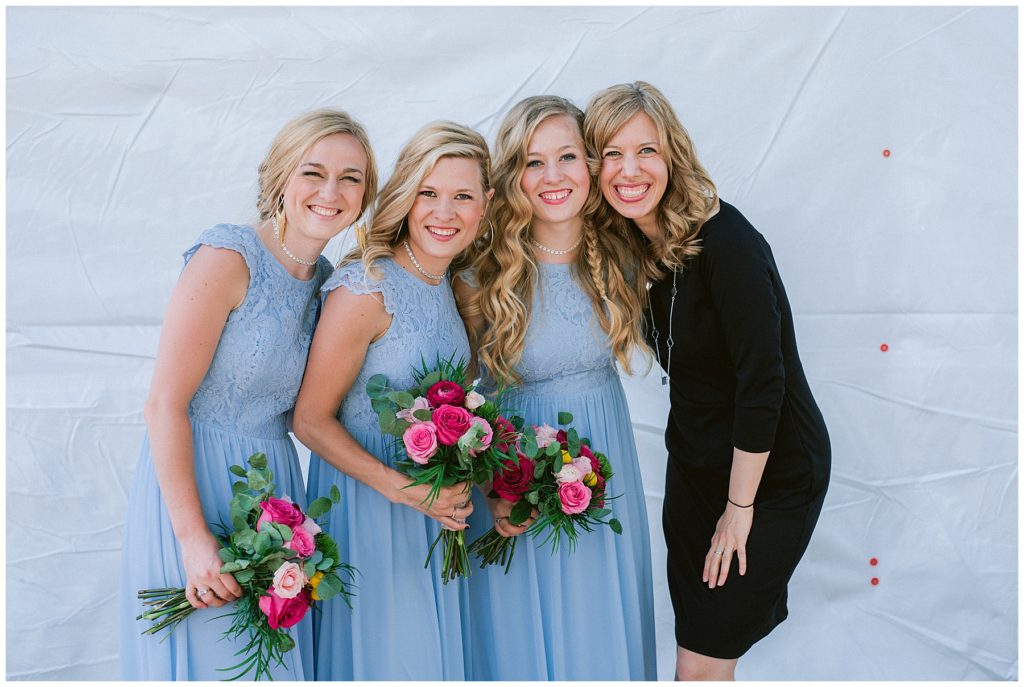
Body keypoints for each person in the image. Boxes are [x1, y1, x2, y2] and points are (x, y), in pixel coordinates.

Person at [585, 81, 831, 681]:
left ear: (673, 153)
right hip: (695, 470)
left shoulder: (728, 244)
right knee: (694, 654)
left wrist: (739, 508)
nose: (629, 170)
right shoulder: (635, 241)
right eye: (612, 154)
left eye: (645, 150)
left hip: (768, 474)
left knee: (703, 662)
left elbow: (763, 383)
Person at [118, 109, 377, 680]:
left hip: (274, 494)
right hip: (195, 482)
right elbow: (163, 404)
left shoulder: (329, 282)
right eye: (313, 172)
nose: (331, 192)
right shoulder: (227, 259)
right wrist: (192, 539)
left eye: (350, 178)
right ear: (281, 176)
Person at [455, 95, 657, 680]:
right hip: (514, 475)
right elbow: (460, 402)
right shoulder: (481, 273)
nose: (553, 176)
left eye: (567, 157)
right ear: (511, 176)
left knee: (599, 623)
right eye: (533, 161)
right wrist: (493, 488)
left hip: (606, 460)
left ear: (590, 165)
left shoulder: (625, 252)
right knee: (520, 631)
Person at [293, 121, 493, 680]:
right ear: (405, 197)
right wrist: (406, 491)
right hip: (370, 510)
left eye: (462, 196)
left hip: (433, 513)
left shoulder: (453, 284)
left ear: (485, 206)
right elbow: (310, 420)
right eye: (429, 193)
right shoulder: (366, 288)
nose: (444, 212)